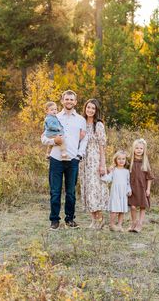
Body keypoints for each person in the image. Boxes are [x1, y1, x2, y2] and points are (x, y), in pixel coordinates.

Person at [41, 90, 88, 230]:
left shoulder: (80, 119)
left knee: (71, 192)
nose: (69, 101)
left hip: (73, 159)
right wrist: (53, 141)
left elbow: (84, 139)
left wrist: (79, 155)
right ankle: (54, 220)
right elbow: (43, 138)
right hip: (56, 159)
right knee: (55, 192)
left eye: (71, 99)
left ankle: (70, 219)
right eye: (66, 99)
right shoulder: (54, 116)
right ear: (62, 101)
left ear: (75, 102)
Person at [79, 99, 109, 229]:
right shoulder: (81, 123)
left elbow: (102, 146)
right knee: (87, 188)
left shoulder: (99, 125)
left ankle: (100, 219)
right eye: (88, 107)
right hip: (83, 161)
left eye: (93, 108)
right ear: (85, 108)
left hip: (95, 160)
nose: (90, 110)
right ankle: (93, 220)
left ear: (96, 111)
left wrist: (103, 164)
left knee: (95, 188)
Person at [127, 138, 154, 233]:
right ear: (133, 149)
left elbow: (149, 177)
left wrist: (148, 189)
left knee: (143, 206)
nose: (139, 150)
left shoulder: (145, 162)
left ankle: (140, 224)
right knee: (133, 206)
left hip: (142, 187)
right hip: (132, 188)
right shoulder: (130, 161)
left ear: (144, 150)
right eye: (137, 148)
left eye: (141, 148)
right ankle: (134, 222)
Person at [101, 150, 132, 232]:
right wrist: (103, 175)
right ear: (115, 160)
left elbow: (128, 182)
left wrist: (129, 190)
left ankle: (119, 225)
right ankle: (112, 224)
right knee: (114, 209)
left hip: (123, 193)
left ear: (125, 160)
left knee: (122, 210)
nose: (121, 161)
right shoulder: (114, 170)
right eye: (119, 159)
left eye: (123, 159)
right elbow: (108, 179)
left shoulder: (127, 171)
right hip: (115, 192)